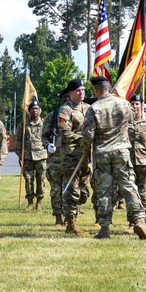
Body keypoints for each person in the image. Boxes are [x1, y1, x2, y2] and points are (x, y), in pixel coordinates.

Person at [78, 78, 146, 239]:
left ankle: (104, 227)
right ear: (108, 88)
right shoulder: (123, 104)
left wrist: (85, 149)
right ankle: (139, 219)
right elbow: (133, 119)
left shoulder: (93, 108)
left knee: (104, 190)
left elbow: (88, 134)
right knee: (129, 186)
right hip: (121, 150)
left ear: (96, 90)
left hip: (102, 153)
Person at [58, 79, 91, 235]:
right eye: (78, 90)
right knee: (72, 190)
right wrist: (84, 139)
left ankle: (73, 214)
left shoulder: (88, 108)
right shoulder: (65, 111)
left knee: (84, 191)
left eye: (83, 90)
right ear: (70, 93)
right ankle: (70, 224)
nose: (81, 93)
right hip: (71, 156)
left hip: (86, 156)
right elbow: (65, 134)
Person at [126, 94, 146, 230]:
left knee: (144, 193)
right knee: (130, 192)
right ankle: (132, 222)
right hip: (128, 162)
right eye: (132, 104)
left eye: (137, 104)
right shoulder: (125, 122)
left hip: (144, 162)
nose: (135, 107)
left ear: (141, 105)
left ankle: (144, 220)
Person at [42, 89, 69, 227]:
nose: (67, 99)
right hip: (56, 158)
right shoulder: (52, 116)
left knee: (71, 190)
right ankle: (58, 217)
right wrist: (47, 145)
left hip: (71, 158)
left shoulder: (79, 115)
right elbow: (44, 136)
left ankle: (69, 217)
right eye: (65, 97)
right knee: (56, 190)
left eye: (69, 97)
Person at [17, 99, 47, 211]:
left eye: (37, 109)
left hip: (41, 156)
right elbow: (19, 141)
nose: (35, 111)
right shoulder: (24, 124)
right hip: (28, 156)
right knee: (28, 180)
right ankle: (30, 203)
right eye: (33, 109)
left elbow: (48, 139)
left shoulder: (44, 123)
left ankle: (39, 202)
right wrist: (20, 156)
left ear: (40, 110)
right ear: (29, 111)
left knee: (41, 179)